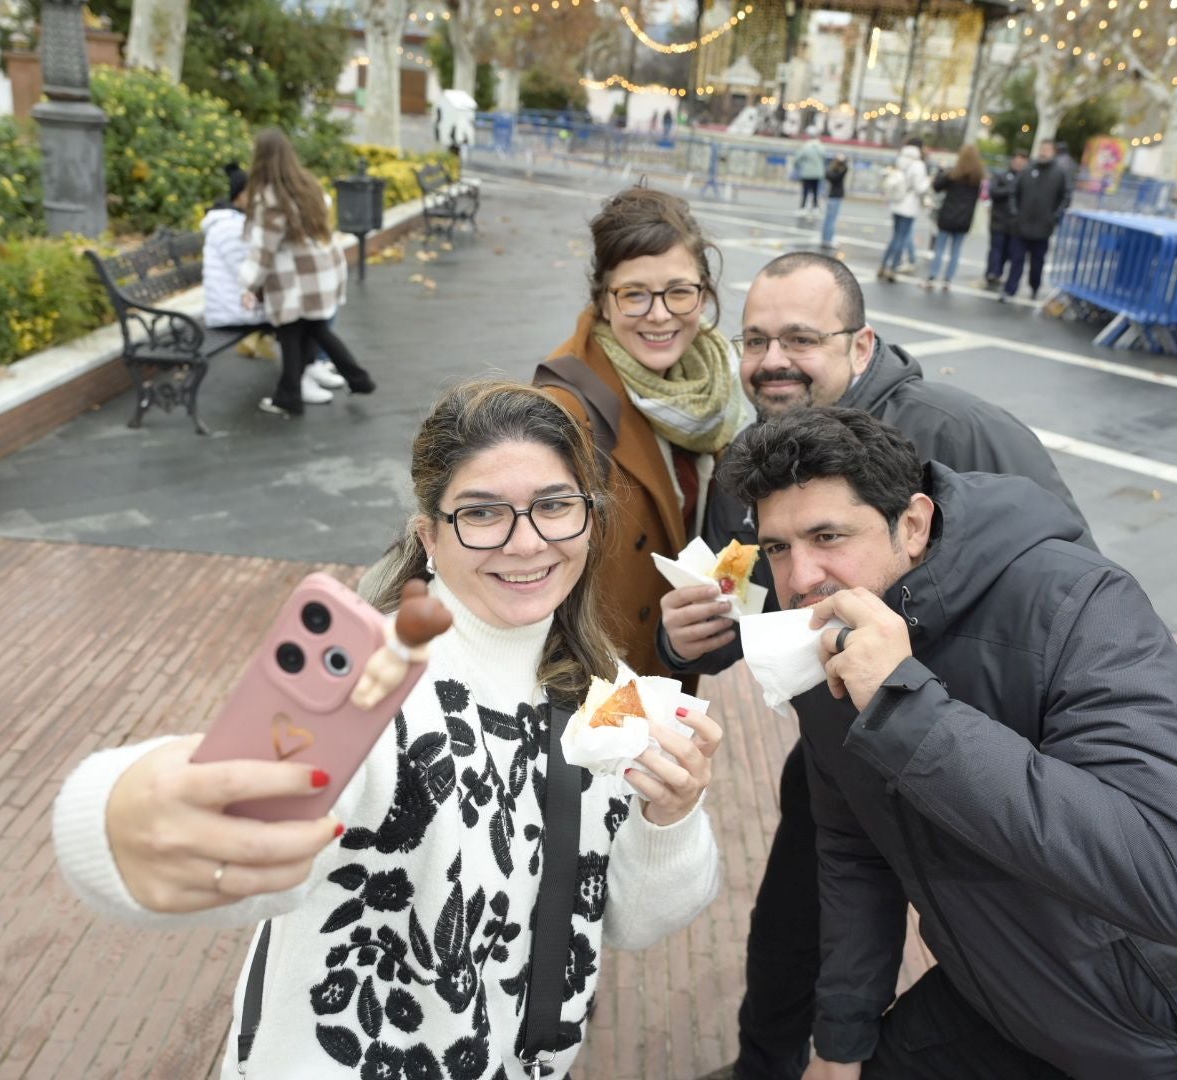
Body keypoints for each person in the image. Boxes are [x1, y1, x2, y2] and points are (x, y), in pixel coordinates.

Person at [52, 379, 724, 1078]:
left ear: (589, 518)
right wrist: (120, 816)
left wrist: (671, 815)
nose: (527, 543)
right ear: (429, 536)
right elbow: (254, 835)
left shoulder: (605, 690)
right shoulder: (376, 682)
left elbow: (635, 923)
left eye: (554, 506)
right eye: (482, 513)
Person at [718, 406, 1177, 1080]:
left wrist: (906, 707)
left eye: (828, 536)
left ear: (913, 524)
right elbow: (855, 851)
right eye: (778, 548)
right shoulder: (825, 646)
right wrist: (841, 1043)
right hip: (1013, 1000)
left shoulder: (1078, 603)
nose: (801, 578)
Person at [664, 252, 1092, 1080]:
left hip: (977, 750)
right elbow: (738, 608)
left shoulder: (963, 433)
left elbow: (1071, 588)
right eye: (755, 340)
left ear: (861, 346)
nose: (773, 361)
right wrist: (683, 641)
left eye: (800, 338)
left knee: (1005, 952)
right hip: (836, 753)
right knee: (791, 932)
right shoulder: (753, 462)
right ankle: (766, 1068)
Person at [535, 187, 749, 682]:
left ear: (703, 294)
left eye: (679, 291)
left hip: (671, 665)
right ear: (603, 302)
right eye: (634, 294)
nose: (659, 314)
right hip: (600, 683)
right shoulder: (564, 409)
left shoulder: (716, 384)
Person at [238, 128, 376, 418]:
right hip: (322, 272)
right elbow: (323, 212)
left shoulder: (271, 200)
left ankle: (291, 397)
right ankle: (355, 380)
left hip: (295, 280)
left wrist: (248, 285)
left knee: (292, 334)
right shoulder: (307, 184)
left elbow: (263, 251)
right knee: (314, 330)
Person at [203, 162, 345, 403]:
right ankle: (302, 380)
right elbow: (248, 271)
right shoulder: (227, 226)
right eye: (254, 193)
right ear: (240, 196)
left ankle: (312, 367)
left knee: (313, 304)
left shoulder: (241, 220)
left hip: (249, 298)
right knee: (301, 314)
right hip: (236, 306)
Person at [1001, 139, 1069, 302]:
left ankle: (1034, 287)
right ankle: (1010, 289)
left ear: (1053, 152)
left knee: (1037, 262)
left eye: (1047, 149)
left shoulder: (1059, 174)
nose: (1043, 152)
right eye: (1042, 148)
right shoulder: (1027, 170)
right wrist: (1015, 214)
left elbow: (1065, 198)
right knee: (1016, 260)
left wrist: (1054, 217)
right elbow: (1014, 193)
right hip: (1021, 225)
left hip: (1043, 227)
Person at [924, 144, 984, 291]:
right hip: (965, 218)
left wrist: (941, 171)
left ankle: (932, 277)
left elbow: (937, 186)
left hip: (948, 215)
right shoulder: (977, 178)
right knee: (955, 250)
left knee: (939, 248)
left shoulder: (953, 174)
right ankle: (948, 279)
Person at [878, 138, 930, 281]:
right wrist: (927, 182)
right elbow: (919, 188)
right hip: (909, 205)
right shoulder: (918, 165)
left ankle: (883, 265)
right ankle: (893, 268)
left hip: (897, 202)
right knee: (901, 238)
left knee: (895, 237)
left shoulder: (900, 160)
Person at [983, 149, 1025, 289]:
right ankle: (992, 272)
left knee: (1008, 251)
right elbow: (993, 191)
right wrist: (1010, 189)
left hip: (1014, 223)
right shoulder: (1001, 176)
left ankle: (998, 272)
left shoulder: (1025, 179)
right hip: (999, 219)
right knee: (996, 248)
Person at [793, 137, 827, 217]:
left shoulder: (806, 148)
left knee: (805, 192)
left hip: (807, 173)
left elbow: (797, 158)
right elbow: (824, 158)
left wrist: (799, 165)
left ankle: (803, 208)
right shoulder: (821, 148)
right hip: (818, 173)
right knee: (816, 191)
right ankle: (815, 208)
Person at [820, 154, 849, 249]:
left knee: (828, 220)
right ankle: (828, 240)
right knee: (831, 220)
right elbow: (845, 168)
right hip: (835, 197)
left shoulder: (831, 171)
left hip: (831, 196)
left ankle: (826, 238)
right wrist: (842, 161)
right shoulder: (839, 172)